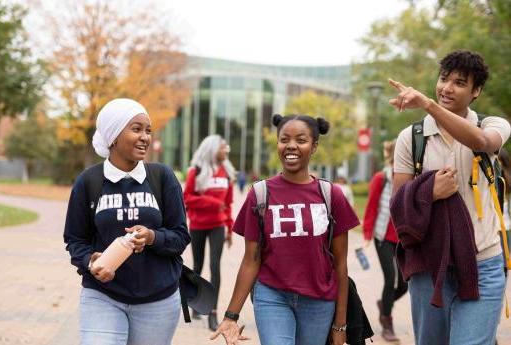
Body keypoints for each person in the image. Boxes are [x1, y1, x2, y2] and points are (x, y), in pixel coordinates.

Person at [390, 50, 511, 345]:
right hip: (431, 267)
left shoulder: (493, 125)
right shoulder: (411, 137)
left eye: (459, 83)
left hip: (484, 262)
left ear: (476, 91)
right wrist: (429, 192)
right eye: (444, 79)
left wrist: (429, 105)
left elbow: (481, 143)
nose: (447, 88)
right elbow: (398, 205)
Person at [211, 113, 360, 345]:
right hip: (272, 296)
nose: (291, 146)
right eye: (284, 139)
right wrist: (231, 316)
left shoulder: (332, 196)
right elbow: (251, 260)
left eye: (301, 140)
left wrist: (340, 324)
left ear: (314, 147)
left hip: (319, 301)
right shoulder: (260, 194)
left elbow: (340, 265)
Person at [63, 98, 190, 345]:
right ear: (113, 136)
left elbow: (180, 236)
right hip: (102, 296)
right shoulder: (89, 181)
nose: (145, 137)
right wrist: (90, 261)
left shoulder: (162, 177)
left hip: (158, 300)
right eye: (136, 129)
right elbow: (75, 240)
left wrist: (153, 237)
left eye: (148, 130)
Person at [183, 134, 236, 331]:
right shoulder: (195, 171)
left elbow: (228, 204)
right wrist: (212, 203)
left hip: (217, 226)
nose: (226, 151)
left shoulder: (227, 173)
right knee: (197, 265)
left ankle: (213, 312)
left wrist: (229, 228)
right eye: (223, 147)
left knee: (215, 266)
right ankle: (196, 303)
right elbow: (186, 198)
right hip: (197, 225)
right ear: (213, 149)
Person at [362, 139, 407, 342]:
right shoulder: (382, 178)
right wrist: (367, 236)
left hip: (404, 239)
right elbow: (371, 207)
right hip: (383, 237)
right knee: (391, 279)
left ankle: (384, 304)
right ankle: (387, 322)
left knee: (404, 285)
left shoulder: (412, 177)